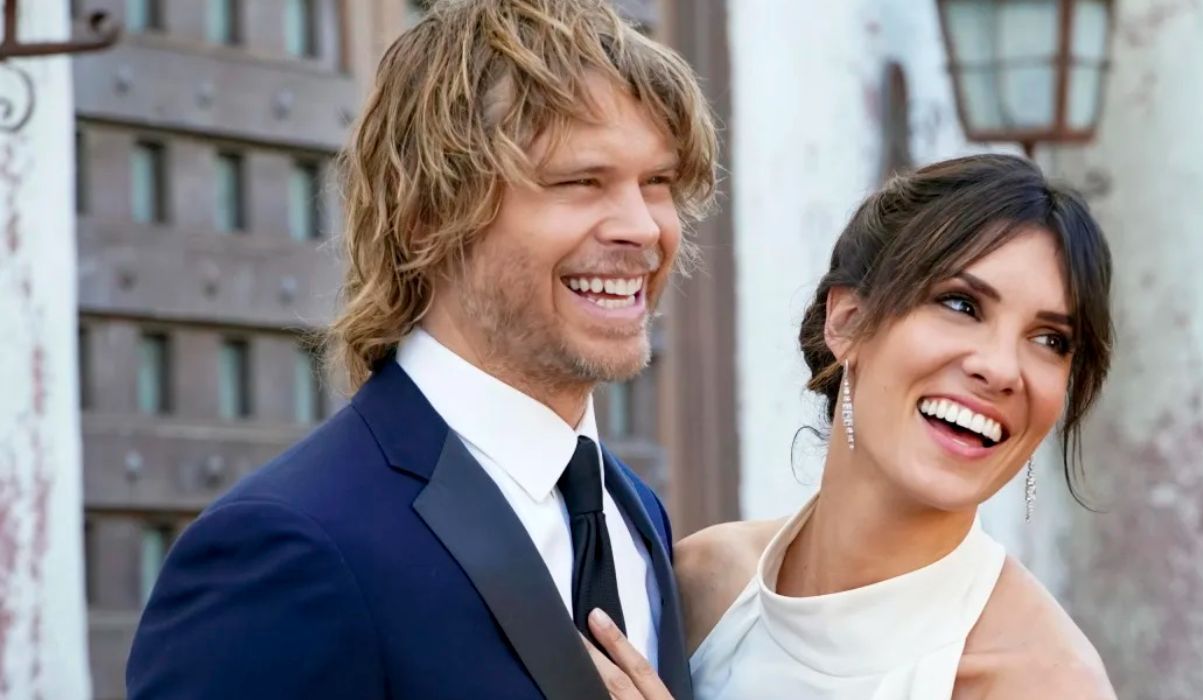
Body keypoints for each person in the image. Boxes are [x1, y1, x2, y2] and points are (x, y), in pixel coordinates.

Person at [125, 1, 717, 698]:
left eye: (658, 183)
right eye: (579, 182)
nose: (642, 227)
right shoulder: (286, 546)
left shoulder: (634, 512)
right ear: (427, 216)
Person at [586, 154, 1118, 699]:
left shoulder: (1046, 682)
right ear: (846, 321)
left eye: (1051, 340)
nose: (1003, 369)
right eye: (961, 304)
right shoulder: (700, 582)